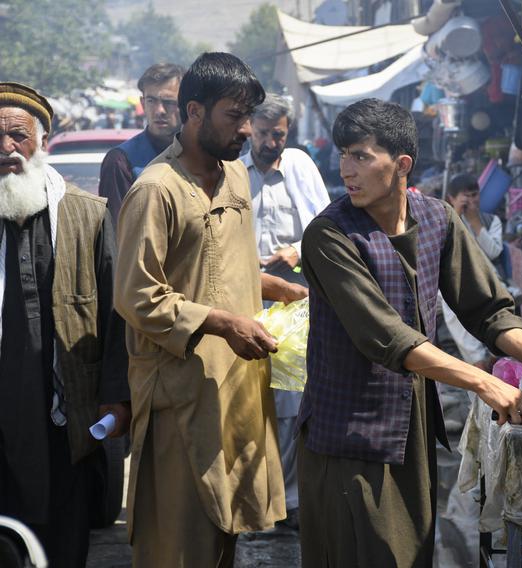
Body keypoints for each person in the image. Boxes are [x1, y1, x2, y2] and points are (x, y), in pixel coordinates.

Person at [296, 98, 522, 567]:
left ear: (402, 164)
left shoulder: (436, 218)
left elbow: (489, 308)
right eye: (343, 154)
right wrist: (487, 382)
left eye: (361, 156)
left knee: (412, 557)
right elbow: (390, 338)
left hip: (410, 429)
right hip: (348, 436)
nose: (346, 169)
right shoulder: (329, 237)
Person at [113, 53, 304, 567]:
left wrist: (275, 288)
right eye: (234, 116)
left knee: (227, 532)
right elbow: (135, 295)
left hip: (238, 387)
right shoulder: (156, 190)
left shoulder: (236, 177)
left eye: (250, 116)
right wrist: (222, 323)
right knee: (177, 541)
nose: (247, 128)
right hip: (181, 390)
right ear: (193, 111)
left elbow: (222, 268)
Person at [0, 82, 130, 567]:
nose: (6, 149)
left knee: (64, 533)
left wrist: (117, 399)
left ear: (42, 143)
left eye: (18, 136)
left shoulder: (88, 215)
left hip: (65, 411)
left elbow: (117, 313)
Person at [239, 93, 330, 529]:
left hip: (296, 302)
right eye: (263, 134)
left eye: (278, 134)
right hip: (249, 300)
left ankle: (291, 501)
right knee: (252, 404)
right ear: (250, 131)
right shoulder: (235, 174)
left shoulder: (299, 166)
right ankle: (255, 496)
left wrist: (295, 251)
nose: (271, 142)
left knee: (293, 401)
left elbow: (323, 225)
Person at [99, 62, 184, 226]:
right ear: (142, 103)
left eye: (168, 102)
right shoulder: (121, 162)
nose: (159, 110)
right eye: (151, 100)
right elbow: (116, 236)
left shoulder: (201, 157)